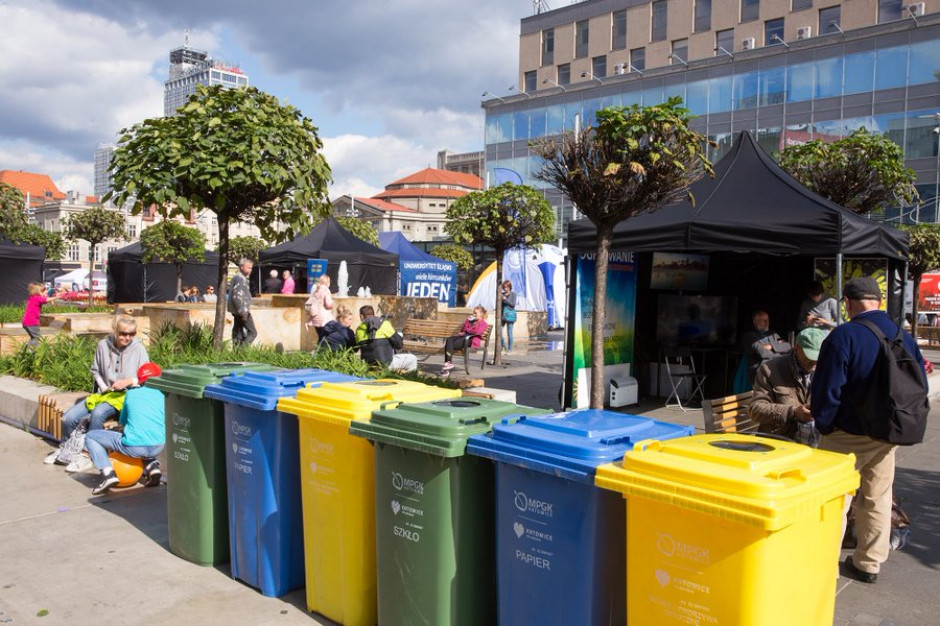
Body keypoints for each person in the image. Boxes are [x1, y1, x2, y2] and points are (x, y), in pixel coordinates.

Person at [811, 277, 927, 584]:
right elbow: (920, 385)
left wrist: (826, 424)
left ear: (847, 304)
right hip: (887, 435)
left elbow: (826, 391)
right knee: (877, 497)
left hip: (844, 433)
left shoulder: (843, 336)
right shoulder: (902, 335)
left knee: (835, 499)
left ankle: (822, 562)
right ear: (878, 301)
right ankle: (869, 563)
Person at [44, 314, 150, 469]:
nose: (127, 338)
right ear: (115, 330)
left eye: (131, 334)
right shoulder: (102, 345)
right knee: (68, 418)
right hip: (104, 393)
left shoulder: (138, 348)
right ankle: (66, 449)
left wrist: (129, 381)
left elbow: (146, 375)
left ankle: (88, 453)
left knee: (98, 413)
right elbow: (95, 371)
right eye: (123, 333)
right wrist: (104, 387)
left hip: (125, 396)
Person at [84, 362, 166, 495]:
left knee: (91, 436)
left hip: (134, 447)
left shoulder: (132, 394)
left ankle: (107, 473)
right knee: (145, 435)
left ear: (140, 380)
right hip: (158, 446)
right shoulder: (164, 395)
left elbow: (122, 421)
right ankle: (153, 467)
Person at [749, 327, 826, 444]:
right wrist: (793, 412)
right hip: (779, 443)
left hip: (814, 443)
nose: (814, 361)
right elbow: (756, 410)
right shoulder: (770, 369)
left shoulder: (826, 370)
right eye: (809, 356)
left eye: (818, 356)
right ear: (796, 348)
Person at [355, 305, 417, 371]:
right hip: (385, 365)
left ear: (361, 316)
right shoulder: (384, 324)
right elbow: (399, 345)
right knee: (413, 359)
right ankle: (411, 378)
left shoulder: (359, 330)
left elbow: (357, 347)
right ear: (373, 314)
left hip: (368, 365)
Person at [742, 310, 791, 383]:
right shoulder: (749, 337)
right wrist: (780, 353)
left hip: (776, 367)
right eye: (763, 320)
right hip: (760, 371)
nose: (767, 323)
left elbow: (788, 346)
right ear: (755, 322)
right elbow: (763, 354)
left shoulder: (773, 334)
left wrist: (771, 346)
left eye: (767, 320)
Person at [442, 306, 489, 374]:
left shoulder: (483, 324)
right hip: (464, 338)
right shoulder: (471, 321)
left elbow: (477, 332)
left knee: (449, 345)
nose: (474, 315)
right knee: (449, 339)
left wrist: (467, 330)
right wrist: (468, 321)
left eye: (476, 313)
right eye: (473, 313)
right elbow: (463, 330)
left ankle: (448, 364)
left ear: (481, 314)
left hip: (470, 340)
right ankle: (448, 363)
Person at [228, 258, 257, 347]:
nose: (250, 270)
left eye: (251, 268)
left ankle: (237, 352)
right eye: (248, 267)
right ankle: (241, 351)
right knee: (252, 332)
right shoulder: (239, 278)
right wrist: (242, 311)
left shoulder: (240, 277)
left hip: (238, 311)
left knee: (238, 332)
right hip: (241, 311)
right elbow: (237, 296)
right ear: (241, 267)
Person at [23, 282, 57, 348]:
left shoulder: (32, 298)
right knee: (37, 338)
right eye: (44, 291)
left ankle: (27, 349)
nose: (46, 293)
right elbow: (46, 300)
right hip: (32, 322)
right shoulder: (37, 298)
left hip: (26, 322)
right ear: (38, 292)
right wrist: (56, 297)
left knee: (33, 337)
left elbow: (46, 300)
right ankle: (33, 351)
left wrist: (50, 298)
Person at [305, 274, 334, 339]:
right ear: (327, 282)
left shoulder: (316, 290)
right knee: (325, 338)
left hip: (315, 318)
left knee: (320, 337)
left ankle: (319, 348)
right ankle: (320, 349)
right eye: (329, 281)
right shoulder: (326, 290)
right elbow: (328, 304)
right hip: (324, 319)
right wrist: (332, 303)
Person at [499, 280, 518, 354]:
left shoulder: (513, 294)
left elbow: (513, 304)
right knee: (499, 332)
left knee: (509, 333)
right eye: (504, 287)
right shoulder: (501, 294)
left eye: (507, 287)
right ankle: (503, 346)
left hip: (510, 315)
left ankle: (509, 349)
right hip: (503, 315)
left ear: (510, 287)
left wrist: (505, 299)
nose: (505, 289)